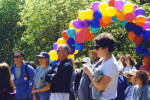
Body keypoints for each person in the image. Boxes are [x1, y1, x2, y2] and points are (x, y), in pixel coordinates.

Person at [83, 33, 119, 100]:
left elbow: (100, 86)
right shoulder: (104, 60)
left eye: (97, 47)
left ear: (106, 48)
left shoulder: (111, 64)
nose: (95, 50)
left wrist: (89, 72)